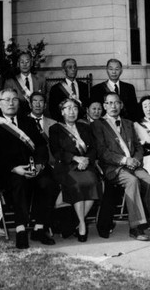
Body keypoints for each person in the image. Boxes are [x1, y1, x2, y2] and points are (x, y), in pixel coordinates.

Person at [92, 92, 150, 241]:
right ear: (104, 106)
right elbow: (102, 152)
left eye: (116, 103)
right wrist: (124, 160)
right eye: (110, 103)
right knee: (132, 181)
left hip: (134, 165)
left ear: (121, 105)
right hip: (114, 167)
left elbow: (138, 147)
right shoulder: (98, 124)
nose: (113, 106)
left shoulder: (128, 123)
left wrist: (136, 159)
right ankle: (135, 227)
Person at [0, 88, 58, 249]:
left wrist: (39, 165)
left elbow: (41, 146)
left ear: (19, 103)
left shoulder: (29, 122)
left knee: (49, 183)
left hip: (34, 167)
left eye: (14, 99)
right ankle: (20, 230)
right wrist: (14, 168)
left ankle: (39, 228)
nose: (11, 103)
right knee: (18, 184)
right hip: (10, 171)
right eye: (7, 100)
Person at [49, 98, 101, 242]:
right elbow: (56, 152)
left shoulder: (85, 127)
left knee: (94, 183)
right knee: (77, 185)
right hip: (67, 166)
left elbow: (93, 148)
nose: (72, 111)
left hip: (86, 165)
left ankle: (75, 223)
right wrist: (75, 158)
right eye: (68, 108)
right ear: (62, 111)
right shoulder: (55, 129)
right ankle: (82, 224)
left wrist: (86, 160)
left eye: (75, 108)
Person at [3, 52, 46, 116]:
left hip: (36, 115)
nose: (24, 64)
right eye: (22, 62)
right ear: (18, 64)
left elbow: (44, 100)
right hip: (18, 116)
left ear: (31, 63)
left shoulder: (41, 80)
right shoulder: (10, 82)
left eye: (27, 62)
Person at [28, 92, 56, 165]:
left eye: (41, 101)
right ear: (30, 105)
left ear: (45, 105)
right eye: (34, 101)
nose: (38, 105)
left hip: (50, 163)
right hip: (30, 163)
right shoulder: (22, 122)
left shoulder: (54, 123)